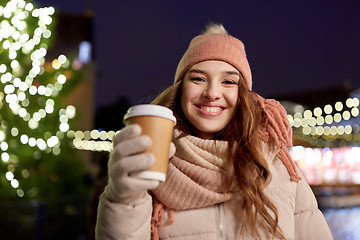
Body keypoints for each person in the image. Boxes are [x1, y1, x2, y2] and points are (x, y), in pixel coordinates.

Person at [95, 23, 333, 240]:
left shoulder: (276, 166)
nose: (212, 93)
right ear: (180, 89)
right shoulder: (152, 164)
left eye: (228, 82)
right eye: (198, 79)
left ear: (243, 96)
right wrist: (124, 198)